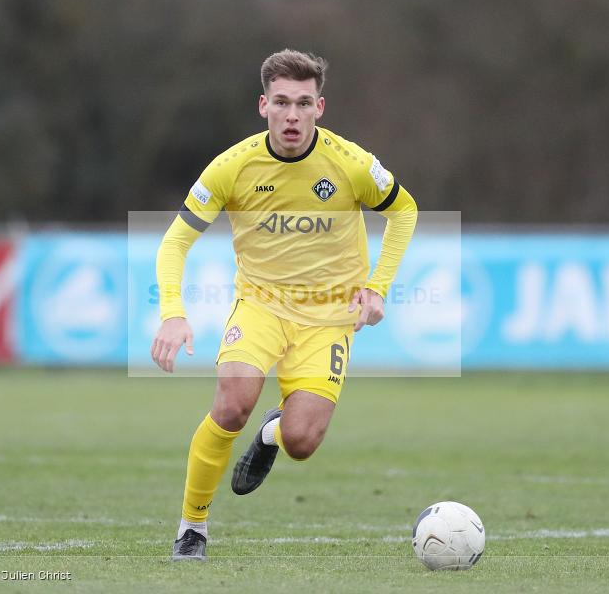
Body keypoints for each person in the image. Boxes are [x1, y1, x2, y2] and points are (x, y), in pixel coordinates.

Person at [151, 49, 417, 560]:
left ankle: (272, 433)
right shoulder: (232, 167)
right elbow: (175, 241)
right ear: (262, 106)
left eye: (302, 103)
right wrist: (172, 312)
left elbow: (404, 211)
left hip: (329, 316)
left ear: (320, 106)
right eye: (281, 103)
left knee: (301, 441)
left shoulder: (351, 164)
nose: (291, 115)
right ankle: (193, 529)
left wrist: (378, 286)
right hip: (260, 307)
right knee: (231, 404)